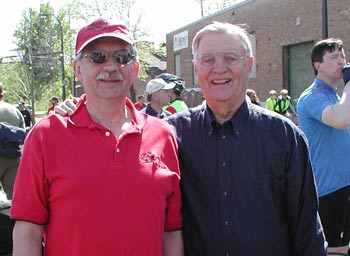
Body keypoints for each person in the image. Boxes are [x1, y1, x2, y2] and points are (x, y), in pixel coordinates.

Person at [54, 22, 327, 255]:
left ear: (249, 64)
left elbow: (307, 231)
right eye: (208, 60)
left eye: (231, 58)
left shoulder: (284, 137)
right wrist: (78, 109)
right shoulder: (169, 135)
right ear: (196, 68)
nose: (219, 69)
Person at [11, 18, 183, 256]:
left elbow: (171, 231)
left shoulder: (163, 135)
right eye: (97, 57)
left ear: (134, 69)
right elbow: (27, 230)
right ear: (78, 69)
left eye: (122, 57)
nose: (111, 66)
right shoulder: (46, 135)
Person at [297, 38, 350, 255]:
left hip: (346, 184)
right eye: (334, 57)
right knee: (336, 249)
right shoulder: (312, 96)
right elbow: (340, 119)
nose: (342, 61)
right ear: (318, 65)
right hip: (329, 190)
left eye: (343, 56)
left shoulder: (337, 96)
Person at [0, 84, 24, 256]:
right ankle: (17, 239)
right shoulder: (12, 110)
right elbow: (24, 133)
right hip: (13, 158)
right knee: (16, 202)